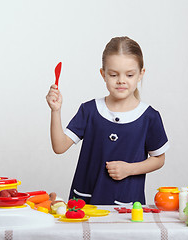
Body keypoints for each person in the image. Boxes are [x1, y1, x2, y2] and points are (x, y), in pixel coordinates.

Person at [46, 36, 169, 205]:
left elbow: (159, 159)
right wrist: (56, 111)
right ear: (103, 74)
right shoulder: (89, 110)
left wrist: (129, 169)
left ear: (141, 74)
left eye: (130, 74)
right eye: (113, 74)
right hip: (86, 204)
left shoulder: (149, 117)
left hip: (127, 208)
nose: (121, 80)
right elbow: (59, 147)